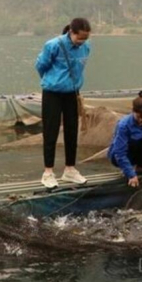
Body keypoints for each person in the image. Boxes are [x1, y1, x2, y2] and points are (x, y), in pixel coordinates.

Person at [35, 18, 91, 189]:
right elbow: (40, 66)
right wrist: (53, 80)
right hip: (52, 93)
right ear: (71, 33)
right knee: (50, 131)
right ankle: (48, 172)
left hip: (72, 93)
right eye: (80, 38)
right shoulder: (53, 45)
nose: (82, 42)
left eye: (85, 38)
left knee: (72, 130)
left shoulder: (86, 47)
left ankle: (70, 169)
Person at [107, 92, 142, 188]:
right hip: (120, 155)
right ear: (133, 112)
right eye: (139, 117)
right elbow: (119, 153)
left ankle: (140, 167)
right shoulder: (123, 125)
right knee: (133, 142)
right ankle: (127, 169)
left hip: (139, 152)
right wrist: (130, 174)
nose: (141, 120)